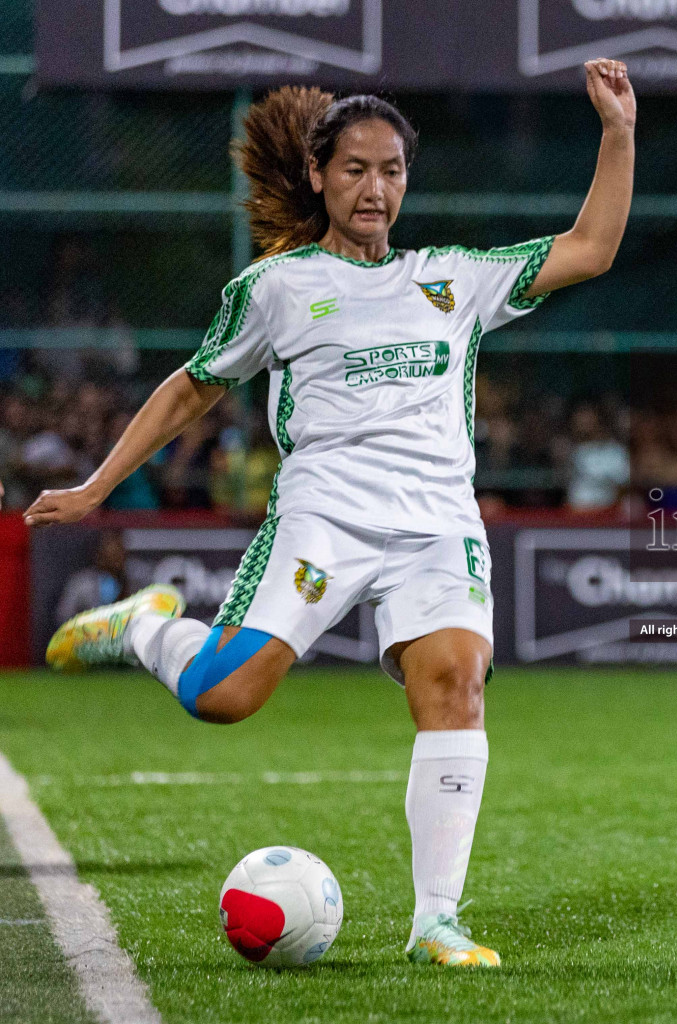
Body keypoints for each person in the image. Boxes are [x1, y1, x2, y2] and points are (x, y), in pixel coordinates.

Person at [23, 61, 637, 968]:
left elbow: (591, 247)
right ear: (318, 176)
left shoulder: (453, 279)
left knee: (456, 686)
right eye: (354, 168)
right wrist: (97, 486)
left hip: (435, 524)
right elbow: (190, 391)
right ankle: (148, 628)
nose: (374, 187)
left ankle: (437, 920)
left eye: (391, 170)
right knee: (225, 697)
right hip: (324, 520)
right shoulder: (274, 287)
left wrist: (618, 131)